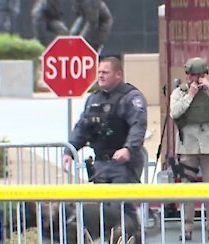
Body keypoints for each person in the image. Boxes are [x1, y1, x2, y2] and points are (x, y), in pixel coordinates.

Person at [62, 56, 148, 227]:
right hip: (101, 163)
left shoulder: (131, 97)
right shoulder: (94, 99)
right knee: (104, 209)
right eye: (99, 72)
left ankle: (133, 237)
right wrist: (69, 151)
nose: (100, 76)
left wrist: (128, 149)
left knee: (120, 207)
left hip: (124, 163)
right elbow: (83, 127)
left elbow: (138, 126)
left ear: (118, 75)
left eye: (105, 72)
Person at [169, 57, 209, 241]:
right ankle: (187, 228)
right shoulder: (179, 93)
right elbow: (175, 112)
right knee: (188, 189)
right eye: (190, 74)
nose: (193, 78)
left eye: (197, 75)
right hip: (188, 147)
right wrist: (190, 94)